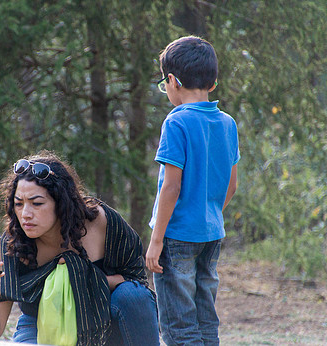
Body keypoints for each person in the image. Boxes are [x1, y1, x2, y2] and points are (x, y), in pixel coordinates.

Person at [0, 150, 159, 346]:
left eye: (37, 203)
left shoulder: (100, 222)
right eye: (18, 204)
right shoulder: (14, 244)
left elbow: (136, 280)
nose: (25, 214)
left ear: (61, 203)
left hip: (102, 317)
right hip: (40, 323)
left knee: (132, 295)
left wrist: (81, 281)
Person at [145, 36, 240, 346]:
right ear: (213, 82)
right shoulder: (227, 123)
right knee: (204, 320)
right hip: (212, 233)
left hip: (176, 237)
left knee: (178, 325)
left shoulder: (176, 123)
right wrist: (209, 213)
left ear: (172, 80)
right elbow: (231, 184)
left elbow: (171, 187)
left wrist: (156, 240)